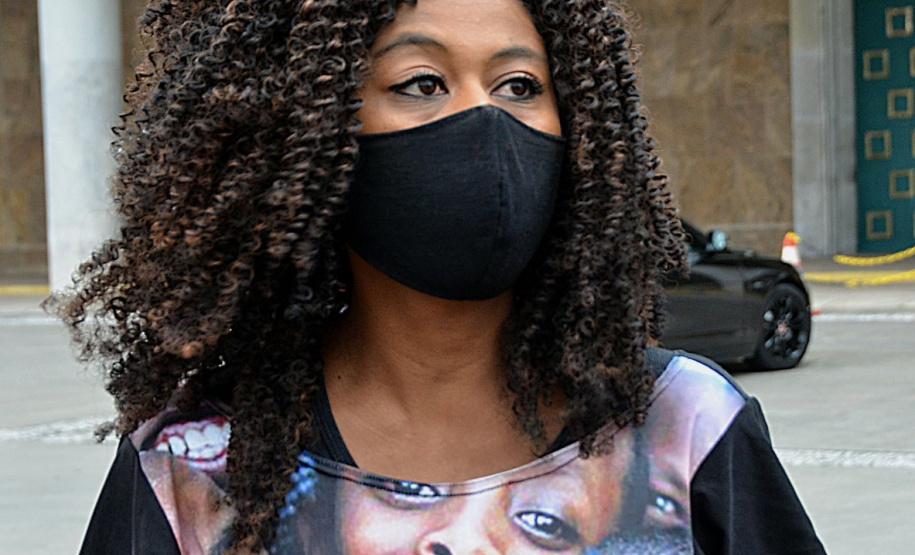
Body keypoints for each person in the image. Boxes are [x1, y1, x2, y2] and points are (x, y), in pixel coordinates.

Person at [49, 0, 826, 553]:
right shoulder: (189, 465)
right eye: (421, 82)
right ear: (308, 128)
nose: (484, 121)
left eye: (520, 85)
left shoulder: (688, 428)